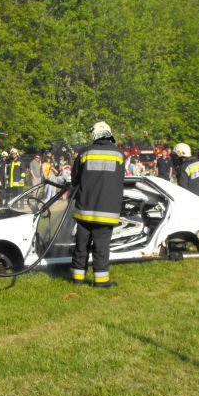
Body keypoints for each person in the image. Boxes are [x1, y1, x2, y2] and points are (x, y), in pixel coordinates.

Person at [70, 121, 125, 288]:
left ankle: (77, 279)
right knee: (101, 247)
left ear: (94, 134)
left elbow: (74, 180)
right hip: (107, 211)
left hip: (84, 210)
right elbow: (119, 181)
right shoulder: (119, 155)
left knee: (81, 245)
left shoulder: (85, 153)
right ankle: (101, 281)